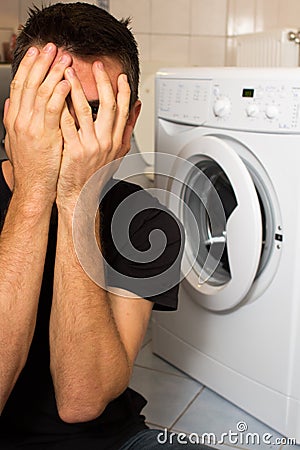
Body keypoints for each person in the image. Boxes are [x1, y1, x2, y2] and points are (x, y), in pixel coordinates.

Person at [0, 3, 211, 449]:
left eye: (92, 110)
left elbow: (82, 400)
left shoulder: (149, 224)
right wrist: (34, 193)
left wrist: (78, 197)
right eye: (51, 102)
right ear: (13, 111)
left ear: (128, 122)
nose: (69, 129)